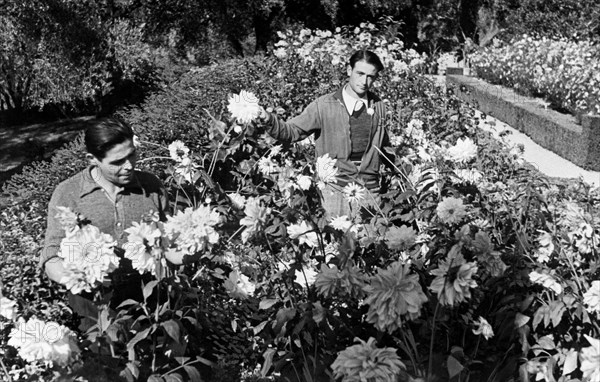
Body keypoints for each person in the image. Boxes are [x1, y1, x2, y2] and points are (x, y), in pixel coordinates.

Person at [41, 117, 169, 311]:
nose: (129, 166)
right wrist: (79, 277)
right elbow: (51, 255)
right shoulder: (68, 193)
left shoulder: (152, 187)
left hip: (149, 299)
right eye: (117, 162)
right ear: (92, 159)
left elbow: (169, 240)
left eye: (132, 155)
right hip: (93, 306)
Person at [259, 49, 393, 218]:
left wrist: (405, 172)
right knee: (338, 242)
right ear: (349, 70)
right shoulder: (323, 106)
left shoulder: (378, 106)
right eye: (360, 73)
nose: (364, 81)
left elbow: (384, 146)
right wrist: (268, 119)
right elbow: (292, 132)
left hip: (369, 188)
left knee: (371, 240)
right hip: (335, 189)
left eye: (370, 76)